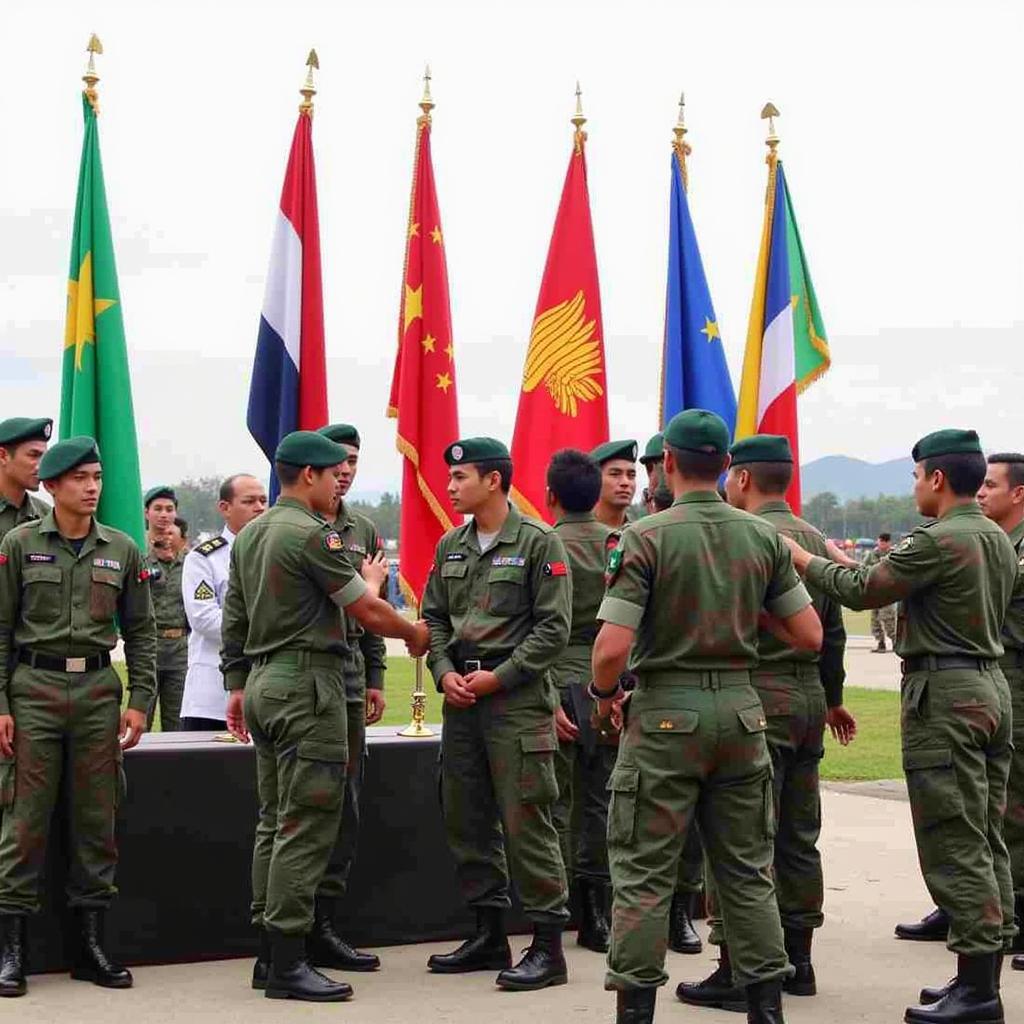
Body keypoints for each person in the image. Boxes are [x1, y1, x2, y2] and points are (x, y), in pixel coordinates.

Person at [592, 409, 823, 1024]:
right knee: (747, 870)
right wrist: (746, 618)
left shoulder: (645, 535)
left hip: (667, 713)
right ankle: (766, 1008)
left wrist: (601, 695)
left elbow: (612, 647)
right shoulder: (761, 537)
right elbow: (809, 635)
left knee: (643, 872)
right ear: (727, 466)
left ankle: (637, 1011)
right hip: (744, 714)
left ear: (667, 464)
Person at [782, 429, 1017, 1024]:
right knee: (984, 834)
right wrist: (837, 559)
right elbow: (884, 574)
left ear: (936, 478)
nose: (913, 487)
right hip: (988, 686)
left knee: (953, 836)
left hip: (947, 698)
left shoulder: (939, 539)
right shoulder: (990, 534)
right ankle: (977, 975)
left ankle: (978, 992)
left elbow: (862, 592)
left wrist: (799, 556)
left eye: (916, 477)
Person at [220, 430, 428, 1004]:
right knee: (306, 824)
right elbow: (364, 607)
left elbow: (235, 620)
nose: (340, 479)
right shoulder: (313, 535)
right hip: (309, 685)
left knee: (273, 819)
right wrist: (413, 631)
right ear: (306, 475)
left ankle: (269, 952)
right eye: (332, 471)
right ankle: (289, 959)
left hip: (265, 682)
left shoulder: (252, 534)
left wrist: (237, 686)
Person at [677, 434, 853, 1008]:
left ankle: (737, 965)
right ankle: (799, 960)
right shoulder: (813, 539)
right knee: (801, 835)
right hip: (805, 700)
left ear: (744, 478)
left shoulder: (740, 536)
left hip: (757, 699)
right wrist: (831, 698)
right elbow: (833, 635)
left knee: (743, 840)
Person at [0, 436, 156, 998]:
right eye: (80, 479)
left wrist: (140, 700)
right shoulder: (18, 545)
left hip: (96, 692)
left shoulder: (121, 548)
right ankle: (10, 951)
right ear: (52, 486)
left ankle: (90, 946)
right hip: (32, 692)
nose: (92, 487)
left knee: (97, 820)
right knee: (24, 821)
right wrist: (0, 706)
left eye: (97, 477)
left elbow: (141, 632)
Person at [422, 437, 572, 991]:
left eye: (461, 478)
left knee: (527, 820)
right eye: (450, 477)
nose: (451, 486)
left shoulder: (538, 542)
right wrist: (443, 672)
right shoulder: (450, 545)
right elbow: (434, 616)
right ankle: (488, 933)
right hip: (462, 699)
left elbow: (553, 630)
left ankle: (548, 946)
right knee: (467, 816)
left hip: (517, 702)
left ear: (493, 481)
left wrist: (500, 677)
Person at [312, 423, 388, 973]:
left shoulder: (362, 527)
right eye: (337, 460)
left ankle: (326, 922)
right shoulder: (301, 521)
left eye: (354, 461)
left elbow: (373, 619)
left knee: (348, 802)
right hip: (309, 672)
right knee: (312, 799)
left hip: (353, 672)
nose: (345, 469)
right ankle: (299, 925)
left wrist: (379, 676)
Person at [544, 448, 617, 953]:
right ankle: (598, 913)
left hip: (560, 681)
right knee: (602, 801)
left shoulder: (543, 545)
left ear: (550, 496)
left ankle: (562, 906)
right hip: (610, 684)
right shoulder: (620, 542)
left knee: (558, 803)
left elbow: (538, 626)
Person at [637, 429, 705, 955]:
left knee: (685, 827)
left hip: (673, 698)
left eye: (656, 465)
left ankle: (681, 910)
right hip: (641, 693)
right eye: (643, 468)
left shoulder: (660, 532)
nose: (647, 477)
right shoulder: (639, 529)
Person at [978, 453, 1024, 972]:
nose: (982, 492)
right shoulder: (996, 543)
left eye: (992, 485)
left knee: (1013, 805)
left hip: (1017, 682)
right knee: (989, 804)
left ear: (1019, 494)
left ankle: (1012, 915)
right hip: (1000, 681)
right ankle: (977, 909)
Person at [179, 474, 267, 731]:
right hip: (213, 696)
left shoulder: (275, 553)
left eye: (263, 501)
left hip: (268, 692)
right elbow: (204, 618)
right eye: (249, 501)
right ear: (224, 508)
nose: (260, 507)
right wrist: (267, 630)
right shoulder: (204, 558)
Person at [144, 486, 188, 732]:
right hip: (149, 648)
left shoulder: (191, 561)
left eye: (169, 509)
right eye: (158, 509)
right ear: (146, 513)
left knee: (177, 723)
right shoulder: (138, 555)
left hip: (180, 650)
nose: (164, 515)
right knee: (141, 719)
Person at [0, 418, 52, 542]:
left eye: (44, 457)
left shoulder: (46, 516)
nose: (42, 465)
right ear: (3, 456)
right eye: (34, 455)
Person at [592, 440, 638, 529]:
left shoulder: (641, 535)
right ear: (595, 479)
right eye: (615, 474)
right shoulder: (576, 535)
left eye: (631, 475)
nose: (625, 482)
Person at [864, 533, 897, 652]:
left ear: (889, 543)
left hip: (888, 591)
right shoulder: (872, 555)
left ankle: (895, 641)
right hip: (874, 591)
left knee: (888, 618)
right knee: (875, 619)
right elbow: (864, 568)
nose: (882, 544)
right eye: (880, 541)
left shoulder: (894, 554)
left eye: (884, 542)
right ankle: (880, 642)